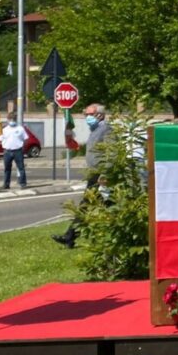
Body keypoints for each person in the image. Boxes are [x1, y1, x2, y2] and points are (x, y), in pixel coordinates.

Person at [53, 104, 113, 249]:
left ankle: (71, 237)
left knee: (92, 206)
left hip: (101, 175)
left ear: (100, 115)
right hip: (94, 174)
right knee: (95, 205)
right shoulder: (95, 130)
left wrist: (106, 173)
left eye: (90, 114)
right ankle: (70, 236)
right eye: (86, 114)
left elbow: (112, 153)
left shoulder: (107, 129)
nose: (87, 117)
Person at [0, 115, 28, 189]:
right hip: (7, 151)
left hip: (18, 151)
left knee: (21, 168)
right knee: (7, 168)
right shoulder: (4, 129)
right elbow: (0, 139)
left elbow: (25, 138)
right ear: (8, 120)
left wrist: (22, 147)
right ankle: (6, 184)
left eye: (13, 119)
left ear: (16, 119)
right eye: (10, 119)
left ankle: (23, 183)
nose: (12, 121)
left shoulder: (20, 129)